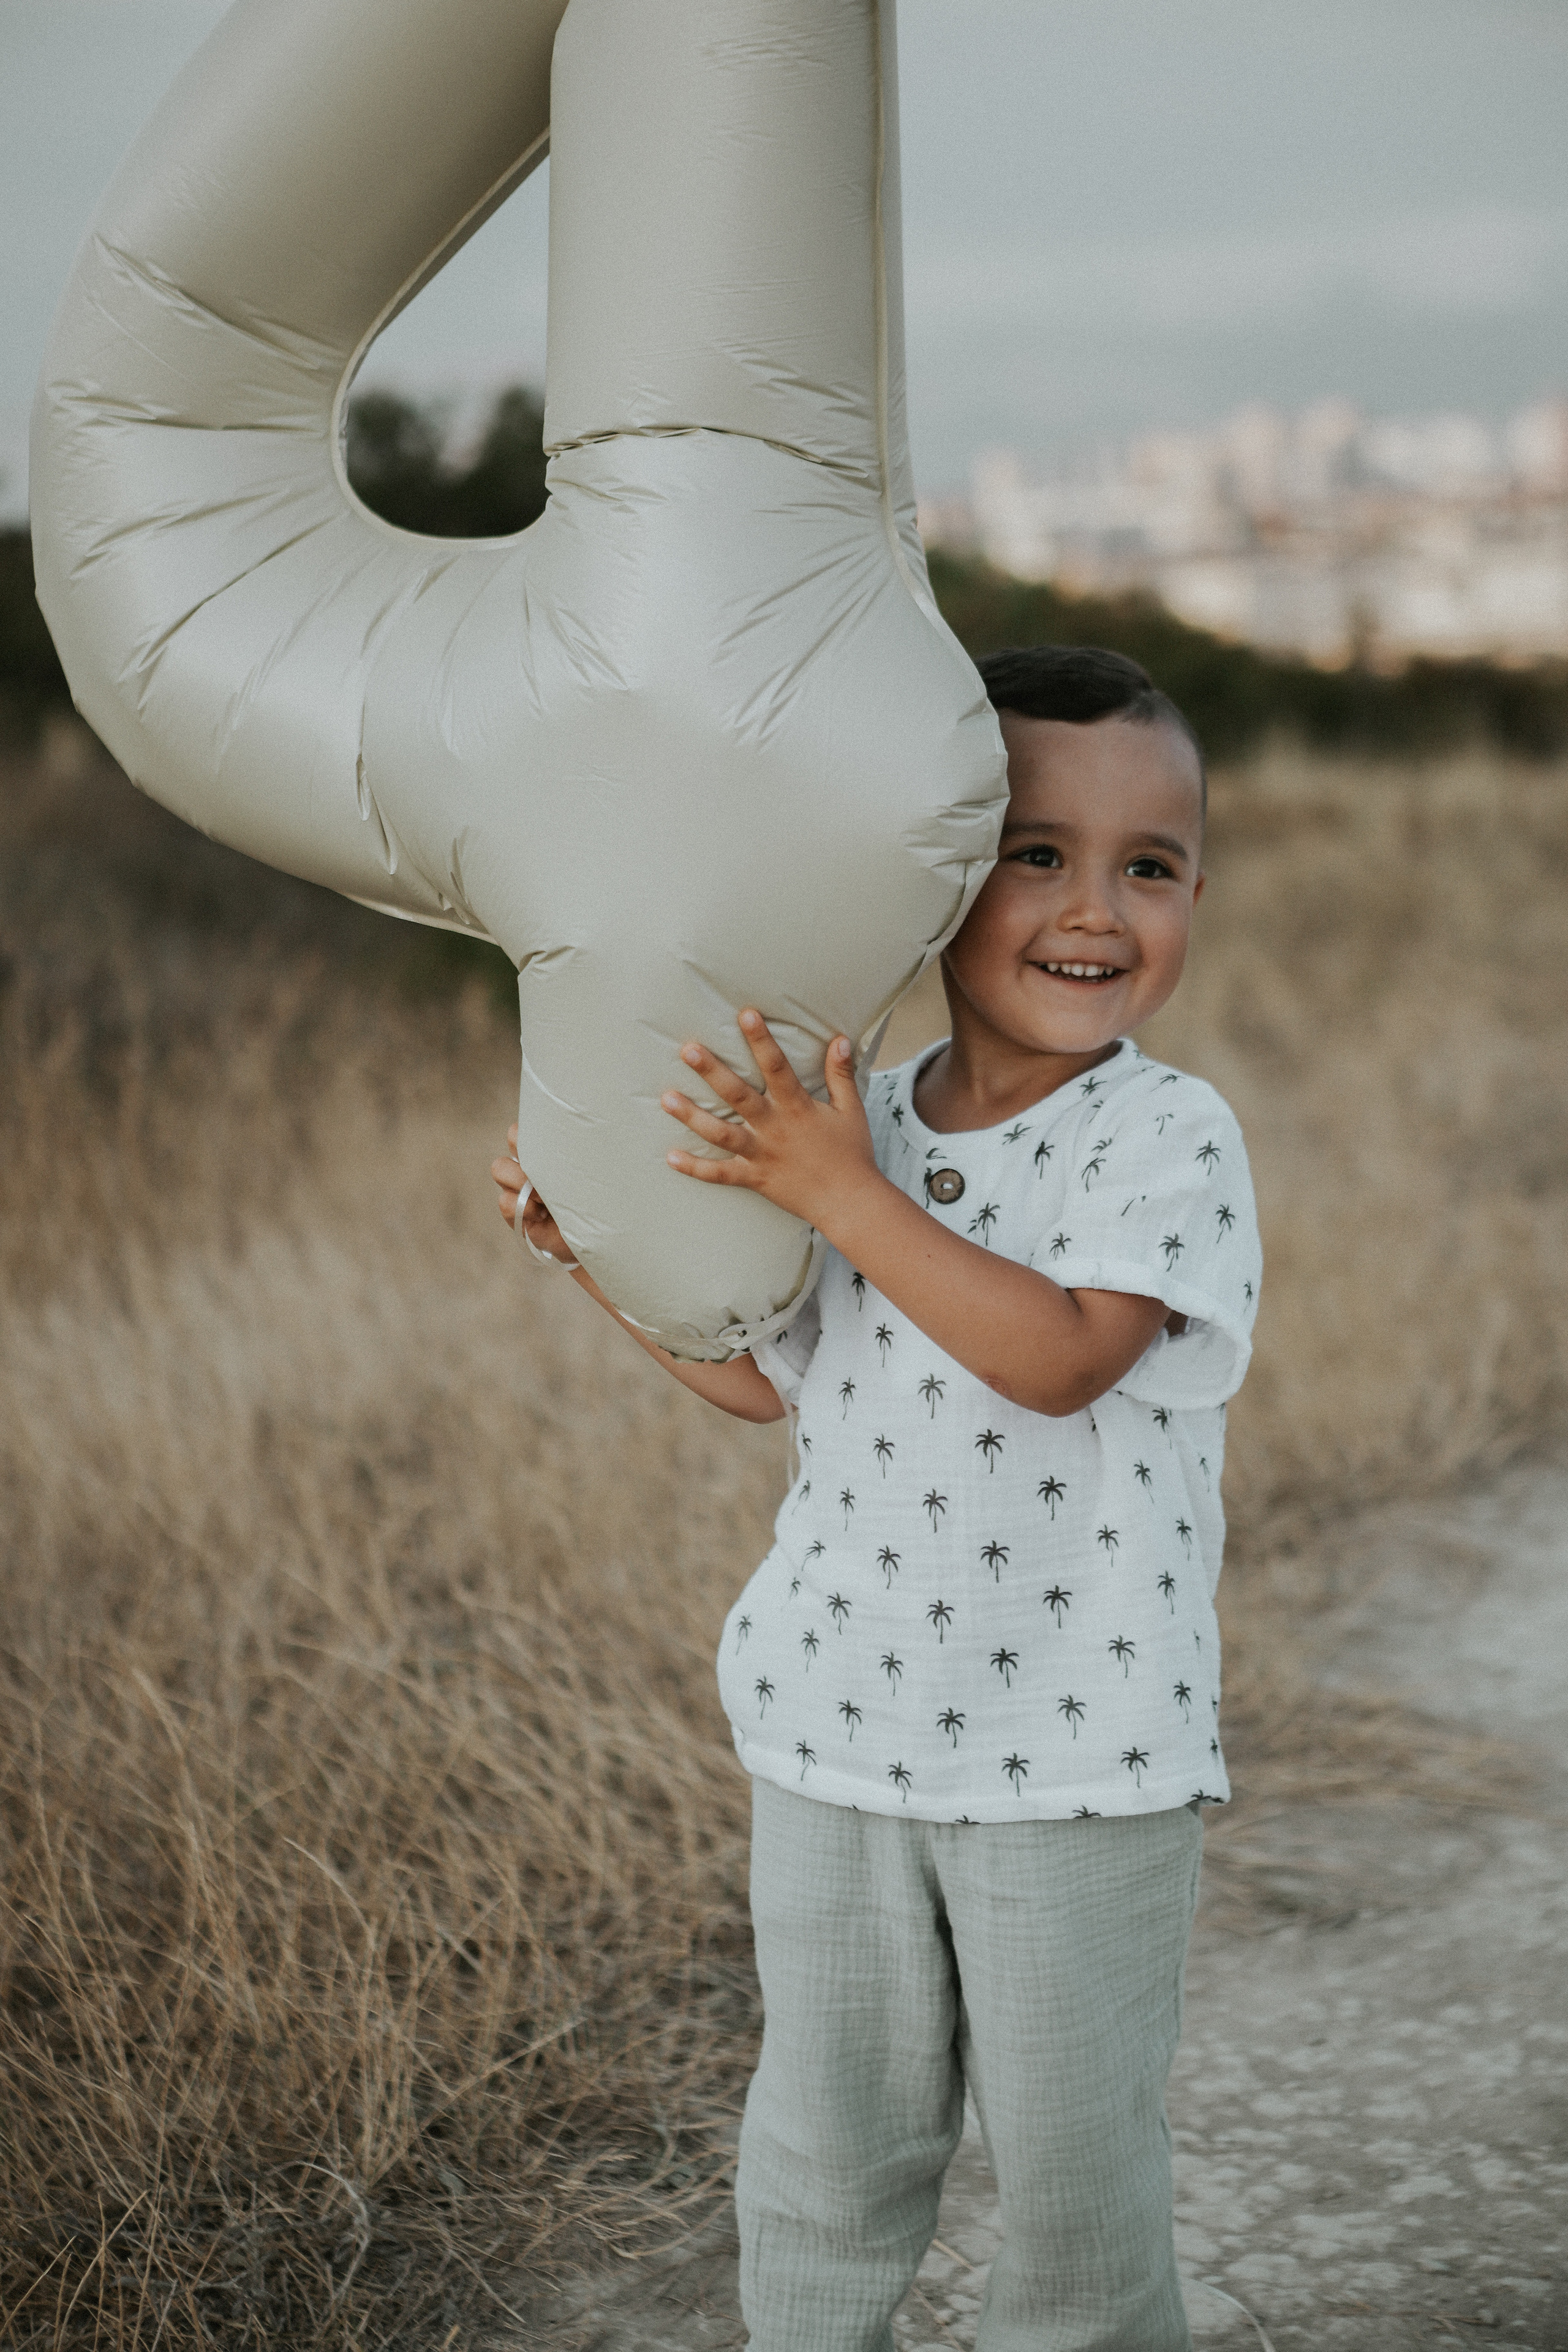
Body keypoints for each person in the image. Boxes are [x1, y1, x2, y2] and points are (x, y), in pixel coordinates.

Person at [492, 644, 1261, 2352]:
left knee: (1074, 2194)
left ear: (1195, 888)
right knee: (826, 2160)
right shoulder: (864, 1127)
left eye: (1149, 865)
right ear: (925, 875)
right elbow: (771, 1380)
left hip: (1078, 1761)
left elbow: (1061, 1355)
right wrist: (602, 1266)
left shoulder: (1165, 1137)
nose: (1094, 908)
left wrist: (837, 1191)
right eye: (1034, 852)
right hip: (835, 1737)